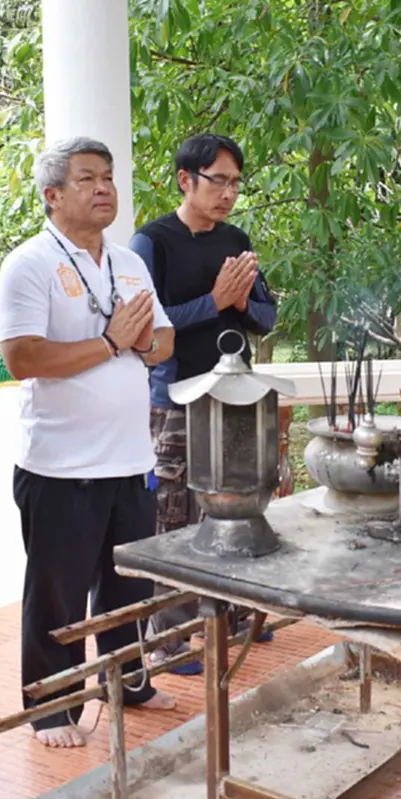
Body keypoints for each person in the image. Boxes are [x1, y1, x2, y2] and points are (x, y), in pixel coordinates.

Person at [0, 137, 178, 749]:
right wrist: (110, 342)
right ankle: (52, 709)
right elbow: (23, 358)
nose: (104, 188)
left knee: (128, 588)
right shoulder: (29, 264)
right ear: (52, 195)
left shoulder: (128, 263)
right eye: (86, 179)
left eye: (108, 177)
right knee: (59, 596)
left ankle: (129, 682)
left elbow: (164, 342)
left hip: (130, 459)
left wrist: (139, 341)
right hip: (61, 467)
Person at [129, 134, 277, 673]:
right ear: (185, 180)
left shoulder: (236, 239)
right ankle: (171, 636)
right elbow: (145, 326)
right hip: (174, 399)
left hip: (235, 397)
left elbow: (266, 317)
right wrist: (214, 302)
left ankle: (231, 614)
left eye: (236, 183)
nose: (229, 193)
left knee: (236, 505)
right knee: (176, 515)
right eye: (219, 181)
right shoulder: (152, 243)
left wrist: (241, 302)